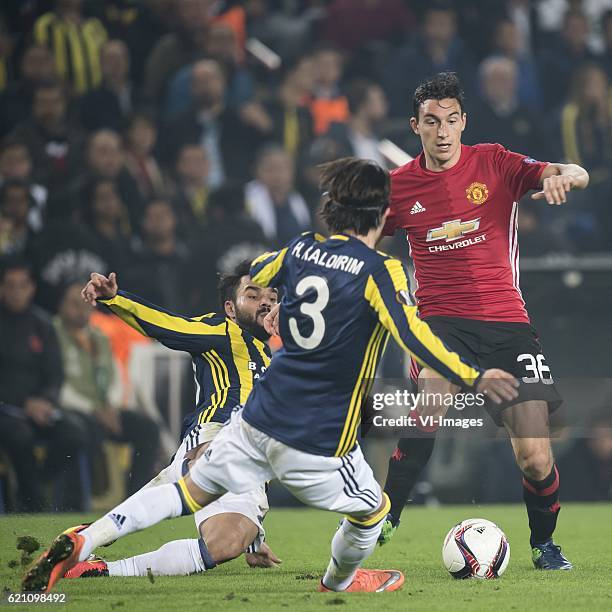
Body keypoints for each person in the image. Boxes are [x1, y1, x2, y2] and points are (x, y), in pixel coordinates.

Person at [23, 158, 519, 593]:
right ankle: (337, 583)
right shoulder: (379, 271)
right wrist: (473, 374)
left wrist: (288, 301)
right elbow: (412, 335)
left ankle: (84, 540)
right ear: (383, 215)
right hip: (317, 436)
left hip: (254, 421)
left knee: (186, 492)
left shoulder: (301, 250)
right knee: (372, 512)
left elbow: (259, 269)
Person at [379, 72, 589, 571]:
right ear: (416, 127)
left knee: (535, 456)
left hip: (507, 325)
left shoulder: (495, 161)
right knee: (429, 405)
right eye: (432, 122)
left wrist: (565, 177)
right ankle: (385, 518)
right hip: (440, 323)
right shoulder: (398, 186)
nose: (443, 131)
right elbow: (358, 238)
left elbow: (574, 170)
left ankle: (544, 545)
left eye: (451, 120)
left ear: (463, 121)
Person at [62, 261, 279, 579]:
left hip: (243, 456)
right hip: (214, 439)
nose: (266, 302)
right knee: (216, 533)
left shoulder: (265, 354)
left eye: (272, 297)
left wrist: (253, 537)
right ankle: (94, 555)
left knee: (227, 539)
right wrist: (116, 298)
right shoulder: (223, 331)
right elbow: (169, 326)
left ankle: (83, 550)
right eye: (253, 294)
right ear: (230, 308)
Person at [54, 283, 160, 495]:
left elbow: (116, 373)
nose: (80, 310)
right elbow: (57, 384)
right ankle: (81, 499)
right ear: (61, 305)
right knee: (84, 431)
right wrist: (93, 409)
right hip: (71, 409)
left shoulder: (99, 336)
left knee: (147, 428)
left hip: (105, 410)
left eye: (84, 304)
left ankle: (135, 497)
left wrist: (111, 407)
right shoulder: (52, 333)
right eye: (73, 304)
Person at [0, 258, 86, 511]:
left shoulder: (42, 324)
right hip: (5, 410)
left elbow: (55, 374)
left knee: (74, 432)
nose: (17, 292)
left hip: (38, 408)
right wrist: (22, 403)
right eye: (10, 285)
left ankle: (37, 485)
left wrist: (45, 402)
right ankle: (33, 504)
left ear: (32, 288)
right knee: (20, 434)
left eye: (22, 285)